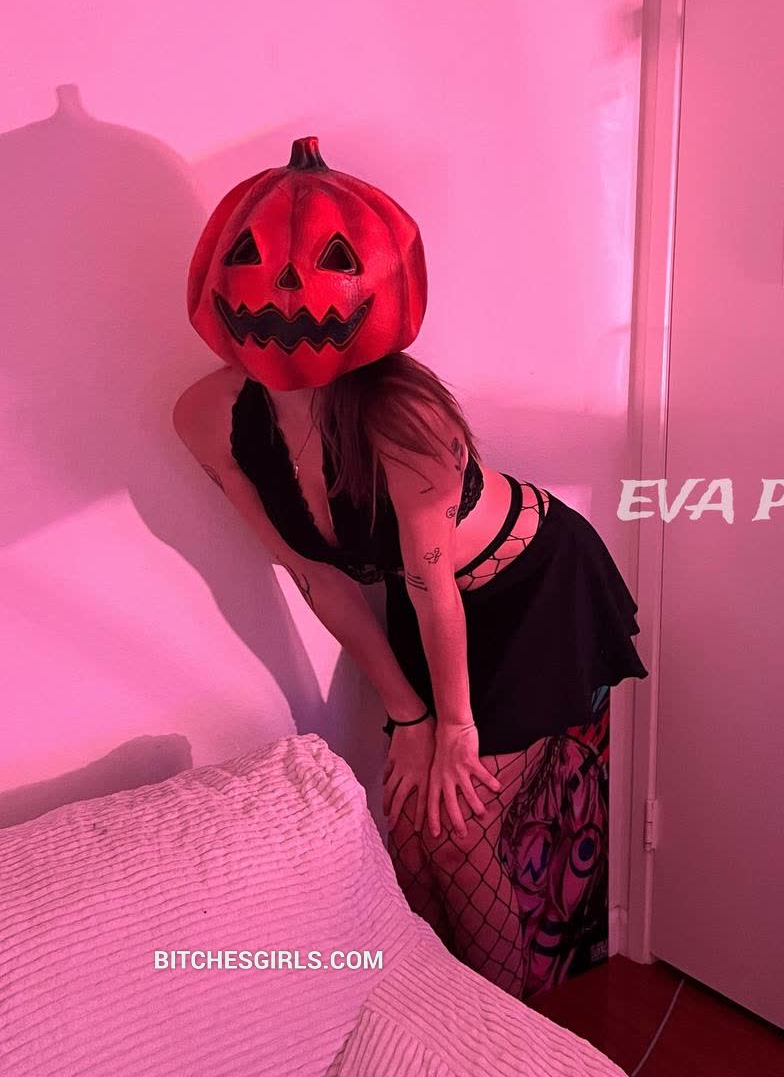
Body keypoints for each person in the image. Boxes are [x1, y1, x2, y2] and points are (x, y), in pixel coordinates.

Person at [174, 137, 649, 999]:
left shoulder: (404, 418)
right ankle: (441, 1023)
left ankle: (505, 1041)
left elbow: (433, 587)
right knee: (411, 828)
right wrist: (406, 714)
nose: (288, 291)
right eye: (251, 258)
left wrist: (450, 726)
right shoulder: (209, 417)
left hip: (529, 586)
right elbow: (316, 576)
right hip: (428, 605)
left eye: (328, 264)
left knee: (457, 832)